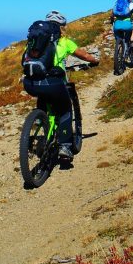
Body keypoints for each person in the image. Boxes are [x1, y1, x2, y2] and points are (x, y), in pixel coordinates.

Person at [22, 10, 99, 161]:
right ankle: (65, 146)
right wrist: (95, 61)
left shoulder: (36, 41)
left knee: (43, 94)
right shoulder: (65, 42)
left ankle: (40, 117)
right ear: (62, 27)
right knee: (65, 110)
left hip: (30, 83)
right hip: (53, 84)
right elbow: (84, 55)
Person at [110, 0, 133, 74]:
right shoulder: (131, 4)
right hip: (127, 25)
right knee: (132, 29)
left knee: (118, 37)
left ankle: (119, 44)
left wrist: (112, 21)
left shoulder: (117, 3)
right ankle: (130, 43)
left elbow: (112, 14)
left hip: (117, 25)